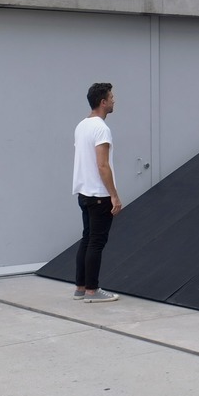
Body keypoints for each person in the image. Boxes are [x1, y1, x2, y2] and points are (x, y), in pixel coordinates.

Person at [72, 82, 123, 303]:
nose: (114, 100)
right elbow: (103, 165)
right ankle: (92, 290)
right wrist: (114, 194)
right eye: (111, 97)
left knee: (87, 239)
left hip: (83, 193)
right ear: (103, 102)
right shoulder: (101, 128)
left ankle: (81, 287)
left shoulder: (81, 125)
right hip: (99, 195)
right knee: (96, 242)